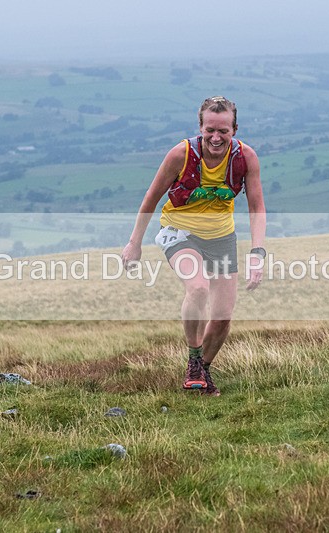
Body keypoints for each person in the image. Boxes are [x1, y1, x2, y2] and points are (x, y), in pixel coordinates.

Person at [121, 96, 266, 396]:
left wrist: (257, 253)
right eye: (210, 129)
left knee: (223, 316)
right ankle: (193, 360)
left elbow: (257, 207)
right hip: (179, 232)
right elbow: (151, 198)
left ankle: (203, 372)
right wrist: (134, 243)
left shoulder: (246, 158)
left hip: (222, 237)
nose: (216, 137)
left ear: (234, 129)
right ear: (200, 127)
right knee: (198, 287)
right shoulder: (181, 154)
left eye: (223, 131)